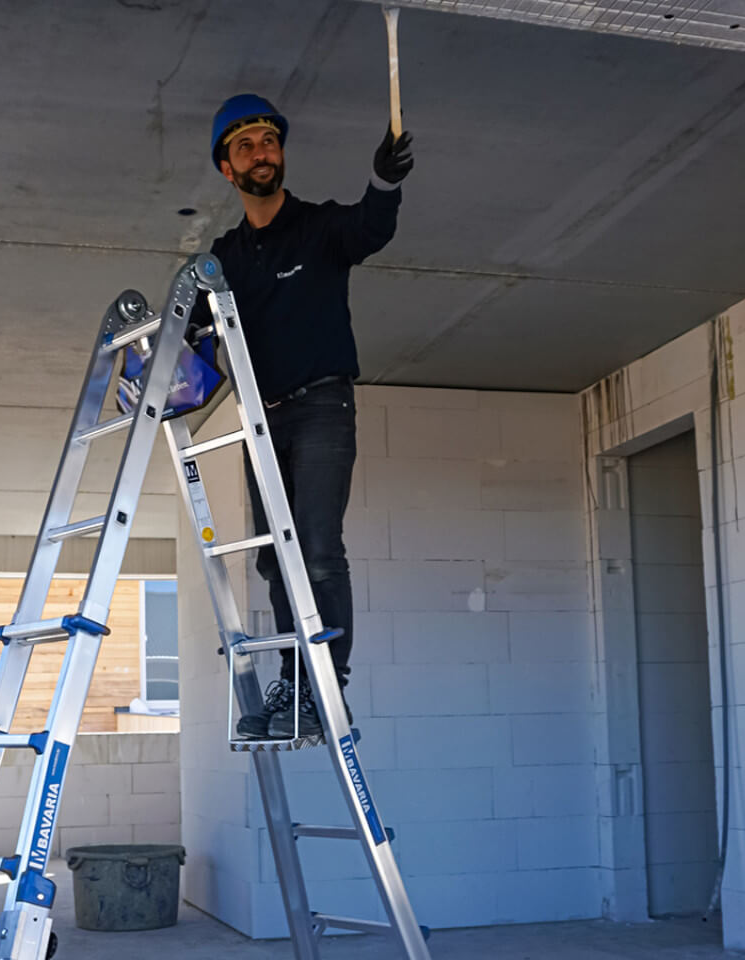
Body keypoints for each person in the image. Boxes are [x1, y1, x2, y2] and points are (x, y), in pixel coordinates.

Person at [192, 94, 413, 739]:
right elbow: (198, 341)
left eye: (268, 141)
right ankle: (297, 682)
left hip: (321, 407)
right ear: (227, 171)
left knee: (316, 551)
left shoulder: (319, 229)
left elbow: (371, 227)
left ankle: (326, 687)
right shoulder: (226, 258)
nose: (261, 153)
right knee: (272, 560)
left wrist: (386, 180)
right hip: (261, 419)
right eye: (245, 147)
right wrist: (151, 378)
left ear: (280, 153)